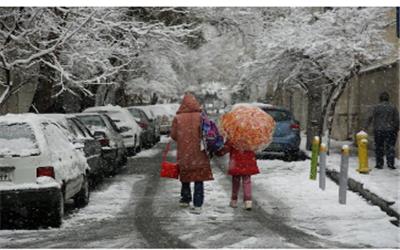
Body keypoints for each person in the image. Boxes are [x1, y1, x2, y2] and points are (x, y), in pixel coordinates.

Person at [170, 93, 214, 214]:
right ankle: (198, 203)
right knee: (199, 177)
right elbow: (209, 132)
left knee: (186, 174)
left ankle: (185, 198)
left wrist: (183, 138)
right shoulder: (201, 116)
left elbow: (173, 136)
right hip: (200, 152)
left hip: (184, 152)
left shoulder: (178, 118)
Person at [216, 140, 260, 210]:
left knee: (235, 182)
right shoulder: (251, 135)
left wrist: (218, 153)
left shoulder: (234, 135)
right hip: (248, 162)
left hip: (236, 161)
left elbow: (226, 148)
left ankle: (234, 200)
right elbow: (256, 147)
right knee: (247, 181)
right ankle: (248, 201)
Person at [365, 91, 399, 170]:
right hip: (390, 130)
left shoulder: (376, 107)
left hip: (378, 130)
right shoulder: (393, 107)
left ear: (380, 98)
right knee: (390, 147)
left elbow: (370, 117)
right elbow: (397, 119)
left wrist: (366, 127)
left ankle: (379, 164)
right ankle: (390, 163)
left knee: (379, 147)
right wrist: (396, 128)